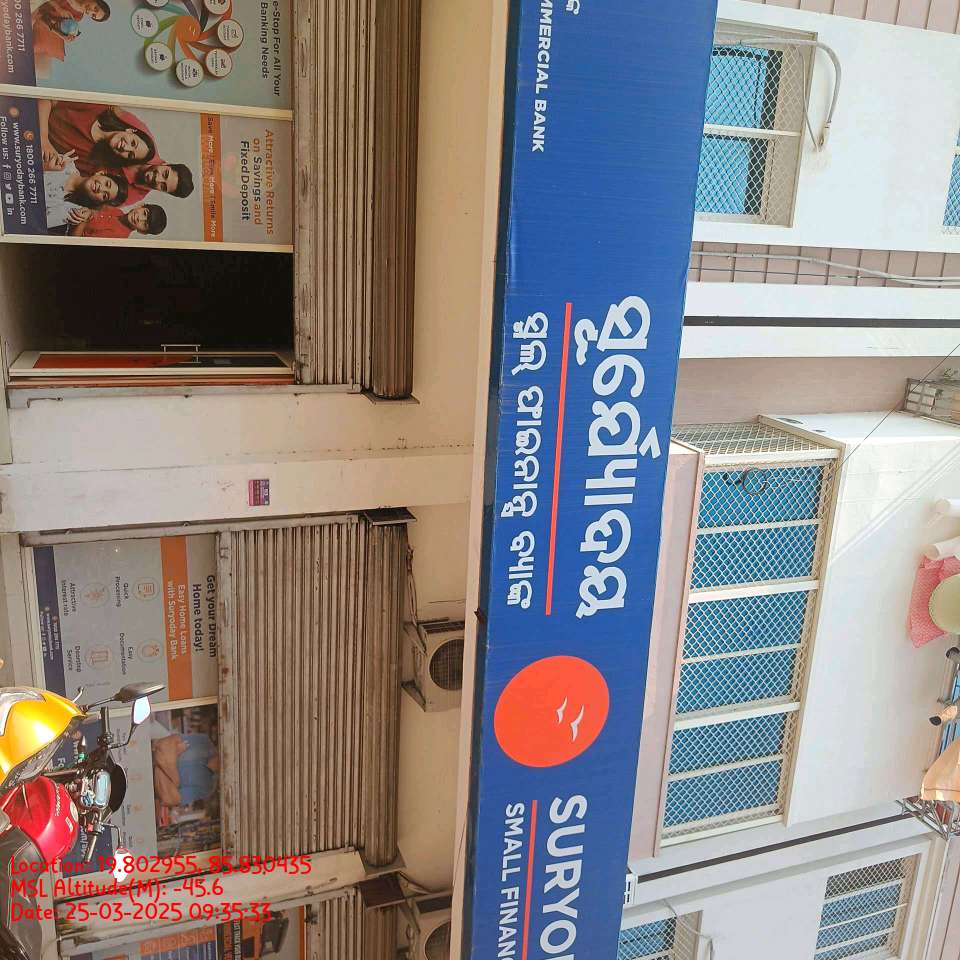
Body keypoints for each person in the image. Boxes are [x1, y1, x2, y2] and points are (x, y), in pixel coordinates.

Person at [38, 100, 156, 178]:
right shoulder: (100, 107)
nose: (126, 148)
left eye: (130, 155)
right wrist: (43, 138)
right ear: (130, 130)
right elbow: (47, 99)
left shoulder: (93, 164)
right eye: (133, 143)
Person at [42, 153, 127, 233]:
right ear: (100, 173)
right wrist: (43, 167)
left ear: (98, 201)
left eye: (105, 195)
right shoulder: (67, 163)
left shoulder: (74, 213)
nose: (101, 188)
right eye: (107, 184)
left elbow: (37, 222)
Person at [68, 203, 168, 239]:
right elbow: (94, 210)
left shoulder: (118, 236)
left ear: (142, 232)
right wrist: (89, 212)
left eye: (145, 224)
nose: (139, 218)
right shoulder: (118, 211)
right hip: (70, 213)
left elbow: (75, 243)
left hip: (65, 230)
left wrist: (84, 219)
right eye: (144, 213)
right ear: (141, 205)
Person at [123, 162, 195, 204]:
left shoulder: (136, 196)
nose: (157, 179)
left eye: (163, 186)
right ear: (166, 164)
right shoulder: (144, 145)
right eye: (165, 174)